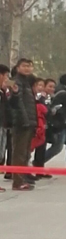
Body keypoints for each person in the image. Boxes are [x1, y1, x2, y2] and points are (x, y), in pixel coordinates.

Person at [9, 59, 36, 191]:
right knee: (19, 153)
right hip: (21, 123)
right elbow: (18, 103)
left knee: (25, 153)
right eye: (24, 66)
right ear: (18, 67)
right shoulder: (17, 82)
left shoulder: (27, 82)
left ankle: (23, 178)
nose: (27, 68)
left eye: (29, 66)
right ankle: (17, 181)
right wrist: (25, 121)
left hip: (29, 121)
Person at [0, 64, 10, 192]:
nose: (7, 79)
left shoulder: (3, 92)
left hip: (3, 125)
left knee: (1, 154)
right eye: (6, 76)